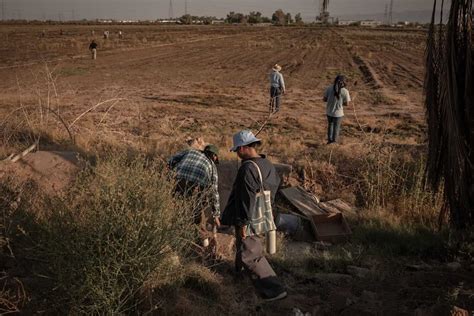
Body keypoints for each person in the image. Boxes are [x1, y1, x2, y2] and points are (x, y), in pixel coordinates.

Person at [220, 130, 287, 302]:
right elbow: (272, 187)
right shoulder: (267, 164)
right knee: (245, 247)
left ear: (242, 148)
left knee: (250, 254)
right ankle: (239, 276)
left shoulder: (247, 168)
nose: (236, 153)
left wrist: (242, 223)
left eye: (237, 150)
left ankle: (274, 289)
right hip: (263, 214)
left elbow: (246, 198)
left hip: (249, 217)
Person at [168, 144, 221, 229]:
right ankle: (196, 230)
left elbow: (171, 160)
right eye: (216, 159)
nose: (215, 161)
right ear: (214, 155)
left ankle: (175, 228)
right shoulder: (212, 166)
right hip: (196, 186)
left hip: (178, 180)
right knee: (196, 212)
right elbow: (214, 191)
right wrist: (216, 215)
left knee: (177, 207)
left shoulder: (190, 151)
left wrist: (170, 174)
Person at [323, 74, 351, 144]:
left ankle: (329, 141)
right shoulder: (345, 91)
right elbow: (347, 104)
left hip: (329, 112)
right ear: (344, 82)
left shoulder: (329, 88)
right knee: (336, 127)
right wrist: (340, 103)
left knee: (330, 126)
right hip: (338, 113)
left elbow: (324, 99)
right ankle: (334, 142)